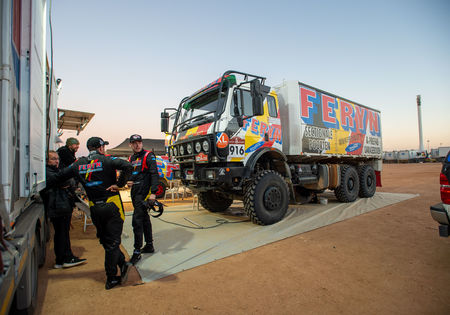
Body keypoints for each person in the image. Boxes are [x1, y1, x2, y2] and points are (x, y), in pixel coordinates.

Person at [55, 137, 133, 290]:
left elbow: (59, 176)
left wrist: (64, 184)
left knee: (106, 240)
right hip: (112, 205)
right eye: (103, 146)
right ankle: (111, 278)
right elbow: (128, 166)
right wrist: (119, 184)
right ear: (100, 148)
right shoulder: (107, 160)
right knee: (112, 243)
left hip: (94, 208)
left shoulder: (79, 163)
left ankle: (123, 263)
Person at [41, 151, 87, 269]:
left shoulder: (54, 171)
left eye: (57, 159)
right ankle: (65, 258)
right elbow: (66, 181)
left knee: (62, 234)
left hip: (61, 206)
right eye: (53, 159)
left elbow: (68, 182)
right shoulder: (48, 172)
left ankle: (62, 259)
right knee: (62, 234)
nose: (56, 161)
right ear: (46, 161)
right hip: (59, 207)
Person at [127, 134, 159, 265]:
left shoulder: (148, 155)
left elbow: (154, 173)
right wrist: (128, 181)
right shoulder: (131, 158)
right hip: (135, 193)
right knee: (145, 219)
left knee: (137, 221)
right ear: (130, 145)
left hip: (144, 194)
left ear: (142, 143)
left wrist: (153, 193)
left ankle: (136, 251)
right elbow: (131, 174)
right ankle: (149, 245)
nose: (137, 145)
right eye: (134, 143)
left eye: (139, 142)